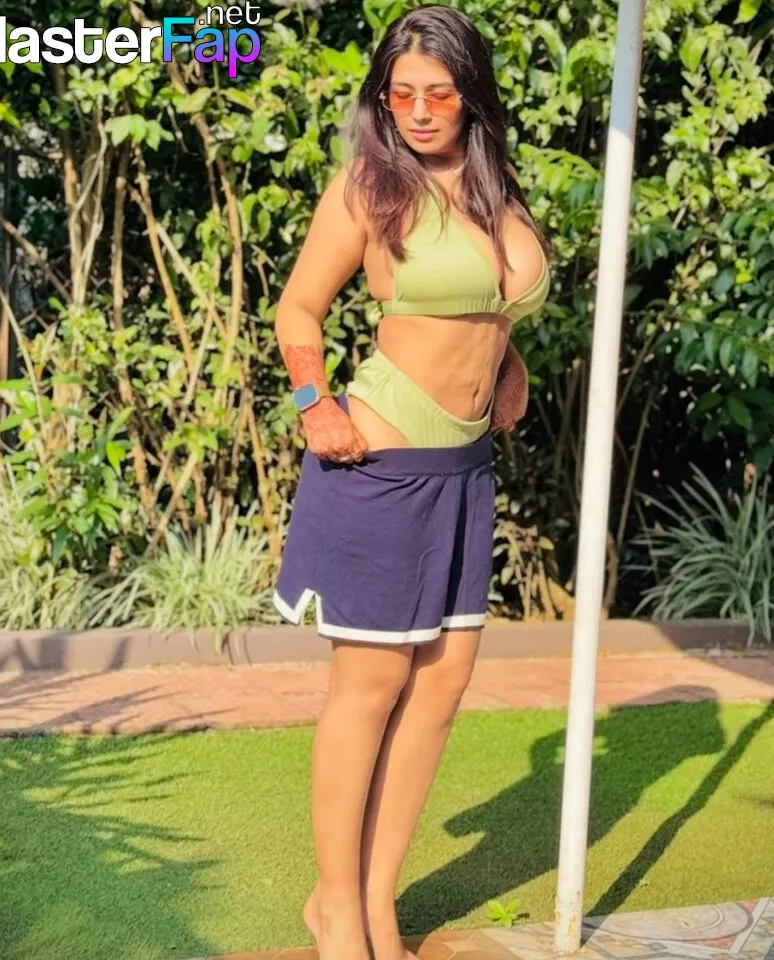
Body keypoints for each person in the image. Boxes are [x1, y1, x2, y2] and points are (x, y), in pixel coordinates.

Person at [272, 6, 550, 959]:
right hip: (382, 465)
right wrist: (314, 403)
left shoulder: (496, 185)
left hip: (466, 470)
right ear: (383, 102)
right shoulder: (369, 187)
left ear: (471, 95)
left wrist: (508, 365)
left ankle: (376, 903)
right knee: (374, 684)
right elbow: (299, 307)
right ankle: (336, 911)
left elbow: (488, 308)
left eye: (438, 93)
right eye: (402, 95)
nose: (420, 111)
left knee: (441, 687)